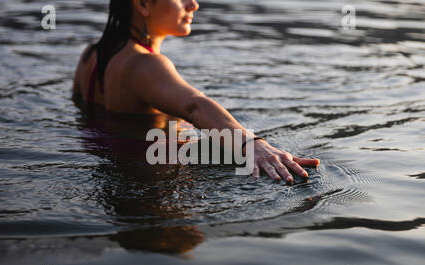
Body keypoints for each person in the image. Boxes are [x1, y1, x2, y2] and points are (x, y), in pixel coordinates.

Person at [73, 0, 320, 183]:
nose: (193, 5)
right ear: (143, 4)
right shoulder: (145, 63)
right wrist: (251, 143)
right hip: (156, 181)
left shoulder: (90, 56)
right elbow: (194, 104)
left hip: (113, 177)